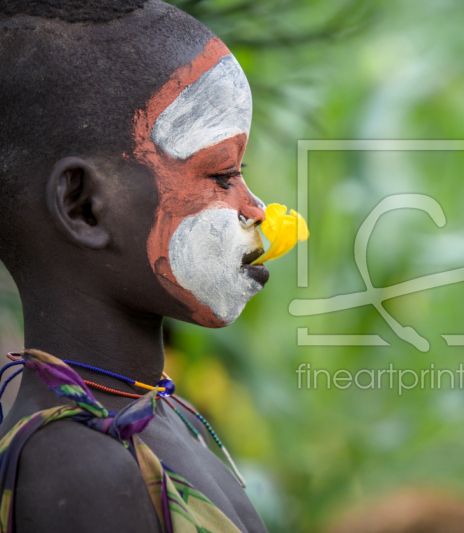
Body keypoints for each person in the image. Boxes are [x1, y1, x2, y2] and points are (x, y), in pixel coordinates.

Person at [0, 1, 271, 531]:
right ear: (84, 207)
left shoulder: (161, 419)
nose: (254, 209)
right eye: (222, 175)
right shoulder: (82, 473)